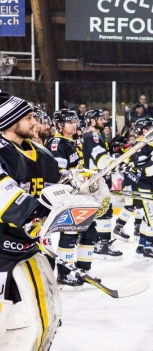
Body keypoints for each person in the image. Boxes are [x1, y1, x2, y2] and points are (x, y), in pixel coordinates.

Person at [0, 93, 63, 351]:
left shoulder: (41, 154)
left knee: (47, 314)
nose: (35, 123)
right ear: (9, 121)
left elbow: (55, 193)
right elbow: (6, 196)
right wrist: (36, 218)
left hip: (26, 247)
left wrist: (80, 194)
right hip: (1, 249)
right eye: (28, 118)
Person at [47, 109, 86, 288]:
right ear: (60, 125)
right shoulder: (57, 143)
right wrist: (76, 179)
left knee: (84, 232)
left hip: (76, 193)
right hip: (66, 193)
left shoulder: (71, 142)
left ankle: (80, 268)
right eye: (69, 122)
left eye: (74, 121)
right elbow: (59, 173)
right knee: (69, 232)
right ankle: (64, 273)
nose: (74, 124)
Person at [82, 109, 123, 263]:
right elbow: (100, 158)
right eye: (100, 118)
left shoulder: (94, 136)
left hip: (96, 178)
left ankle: (101, 242)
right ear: (91, 121)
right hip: (95, 180)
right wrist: (115, 164)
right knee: (104, 212)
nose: (103, 120)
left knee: (104, 211)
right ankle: (102, 244)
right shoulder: (91, 135)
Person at [130, 118, 153, 261]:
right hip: (145, 187)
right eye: (152, 127)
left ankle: (142, 247)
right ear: (144, 129)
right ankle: (148, 248)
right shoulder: (139, 146)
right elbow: (147, 169)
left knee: (150, 219)